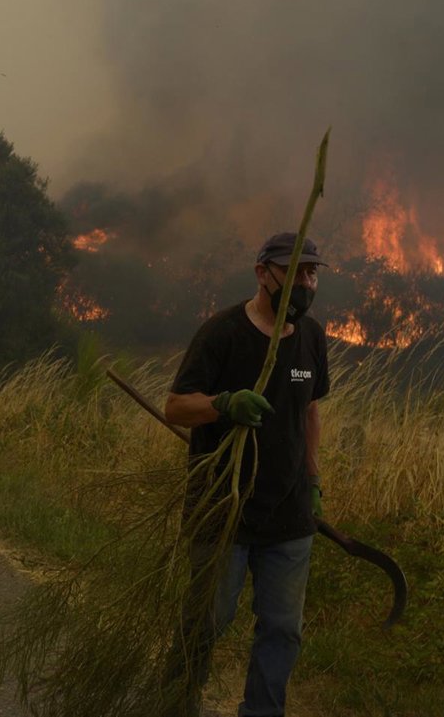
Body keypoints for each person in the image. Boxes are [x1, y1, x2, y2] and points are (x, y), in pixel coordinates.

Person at [164, 231, 330, 717]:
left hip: (289, 516)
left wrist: (313, 480)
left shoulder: (313, 337)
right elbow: (176, 406)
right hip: (223, 509)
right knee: (208, 620)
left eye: (312, 273)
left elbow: (310, 411)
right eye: (295, 271)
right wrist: (223, 404)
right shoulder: (222, 333)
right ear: (263, 273)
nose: (305, 282)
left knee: (282, 629)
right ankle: (175, 703)